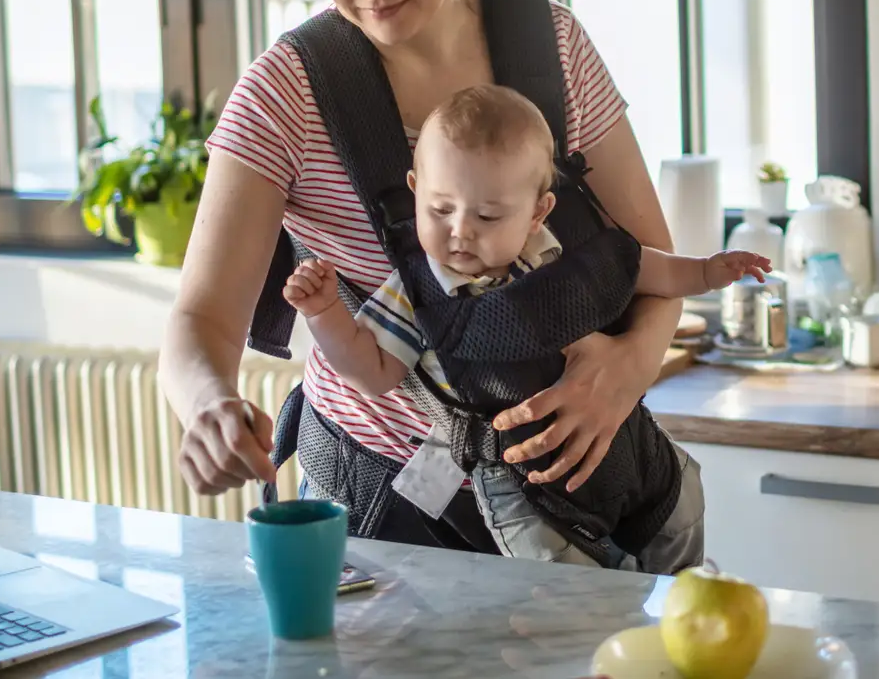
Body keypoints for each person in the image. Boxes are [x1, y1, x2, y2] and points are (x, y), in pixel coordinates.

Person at [157, 0, 693, 555]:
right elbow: (200, 320)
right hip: (388, 511)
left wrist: (622, 373)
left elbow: (651, 259)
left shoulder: (549, 44)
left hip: (581, 490)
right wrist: (206, 405)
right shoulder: (285, 92)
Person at [282, 83, 768, 569]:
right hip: (514, 476)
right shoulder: (417, 289)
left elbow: (642, 268)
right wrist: (324, 314)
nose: (460, 231)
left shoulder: (553, 252)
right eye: (439, 209)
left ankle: (686, 614)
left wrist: (707, 271)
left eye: (488, 215)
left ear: (538, 213)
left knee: (682, 504)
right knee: (563, 588)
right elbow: (374, 373)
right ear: (415, 191)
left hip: (618, 436)